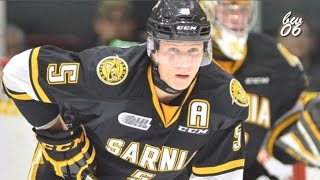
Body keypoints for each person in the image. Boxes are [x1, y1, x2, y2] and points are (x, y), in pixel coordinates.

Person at [2, 0, 249, 179]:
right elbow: (17, 72)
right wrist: (58, 136)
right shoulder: (109, 73)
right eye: (174, 49)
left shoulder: (224, 99)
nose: (184, 63)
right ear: (153, 48)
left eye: (193, 50)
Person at [199, 0, 307, 179]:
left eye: (243, 11)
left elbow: (297, 114)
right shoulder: (185, 57)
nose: (237, 19)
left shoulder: (276, 60)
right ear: (207, 11)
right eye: (227, 11)